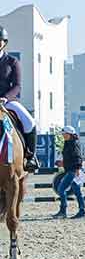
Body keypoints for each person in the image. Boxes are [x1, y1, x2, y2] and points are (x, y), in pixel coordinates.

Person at [0, 26, 39, 171]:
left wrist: (5, 98)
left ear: (4, 42)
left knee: (30, 122)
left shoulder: (12, 62)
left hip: (7, 102)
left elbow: (17, 86)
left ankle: (31, 157)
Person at [52, 126, 85, 219]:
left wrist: (78, 169)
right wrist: (62, 163)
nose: (63, 135)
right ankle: (82, 211)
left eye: (64, 134)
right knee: (77, 192)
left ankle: (63, 211)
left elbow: (78, 157)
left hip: (73, 171)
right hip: (71, 170)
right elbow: (69, 157)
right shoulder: (68, 143)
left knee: (61, 189)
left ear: (69, 134)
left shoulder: (74, 144)